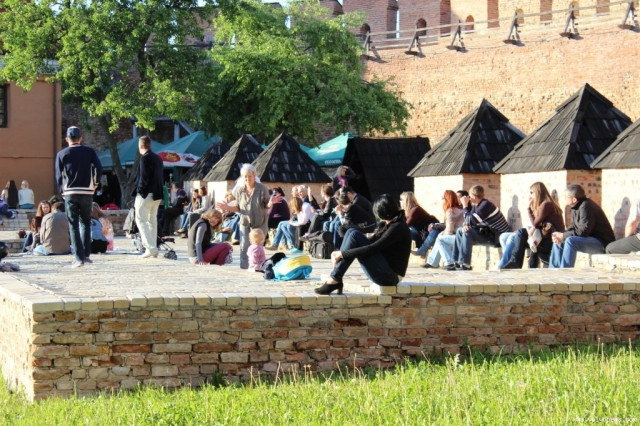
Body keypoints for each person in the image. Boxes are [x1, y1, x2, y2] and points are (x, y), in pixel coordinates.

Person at [315, 194, 411, 295]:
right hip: (384, 268)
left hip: (391, 277)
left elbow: (373, 248)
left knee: (355, 235)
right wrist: (341, 252)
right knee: (351, 231)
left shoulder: (398, 227)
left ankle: (335, 278)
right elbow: (371, 241)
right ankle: (336, 277)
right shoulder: (387, 224)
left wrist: (342, 254)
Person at [55, 126, 102, 268]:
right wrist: (95, 184)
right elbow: (98, 168)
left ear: (67, 139)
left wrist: (62, 190)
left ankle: (78, 258)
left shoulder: (62, 153)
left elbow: (58, 175)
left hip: (70, 192)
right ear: (80, 138)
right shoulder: (89, 151)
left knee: (73, 225)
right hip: (87, 191)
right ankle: (86, 255)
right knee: (86, 222)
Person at [498, 182, 565, 269]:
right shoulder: (543, 204)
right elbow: (535, 224)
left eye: (531, 192)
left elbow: (535, 223)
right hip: (543, 236)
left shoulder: (546, 204)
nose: (530, 195)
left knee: (518, 234)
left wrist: (528, 209)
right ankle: (512, 262)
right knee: (505, 236)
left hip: (551, 239)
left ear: (537, 192)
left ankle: (511, 263)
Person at [216, 163, 270, 269]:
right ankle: (244, 266)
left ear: (254, 176)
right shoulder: (240, 190)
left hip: (260, 222)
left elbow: (266, 205)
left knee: (257, 246)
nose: (247, 178)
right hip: (245, 221)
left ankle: (257, 265)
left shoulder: (262, 188)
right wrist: (227, 207)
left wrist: (271, 203)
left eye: (250, 176)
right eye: (245, 176)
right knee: (244, 245)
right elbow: (238, 208)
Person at [549, 184, 615, 268]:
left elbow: (583, 231)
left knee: (570, 241)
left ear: (574, 199)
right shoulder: (576, 206)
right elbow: (573, 227)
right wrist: (561, 235)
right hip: (588, 240)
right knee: (559, 240)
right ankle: (554, 271)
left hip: (601, 243)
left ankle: (565, 271)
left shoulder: (586, 206)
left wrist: (563, 236)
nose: (564, 198)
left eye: (566, 197)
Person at [451, 185, 511, 271]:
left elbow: (470, 220)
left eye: (470, 196)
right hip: (488, 233)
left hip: (496, 238)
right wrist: (465, 225)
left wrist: (465, 205)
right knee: (460, 230)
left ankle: (465, 264)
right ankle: (456, 262)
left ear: (474, 196)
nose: (468, 198)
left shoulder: (485, 205)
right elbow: (469, 221)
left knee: (467, 232)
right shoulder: (477, 206)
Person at [131, 135, 164, 259]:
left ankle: (150, 248)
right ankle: (153, 247)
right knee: (152, 221)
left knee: (141, 220)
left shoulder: (145, 158)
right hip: (157, 194)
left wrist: (139, 192)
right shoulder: (158, 158)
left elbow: (144, 178)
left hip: (146, 194)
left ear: (140, 146)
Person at [423, 190, 464, 269]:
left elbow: (449, 231)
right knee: (440, 237)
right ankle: (432, 262)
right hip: (462, 236)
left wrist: (442, 233)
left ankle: (449, 263)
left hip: (459, 238)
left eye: (443, 199)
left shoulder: (450, 212)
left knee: (440, 239)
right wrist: (440, 230)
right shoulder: (459, 210)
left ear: (446, 200)